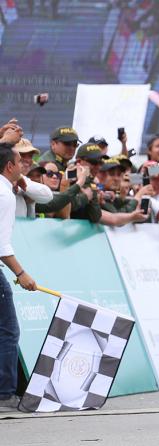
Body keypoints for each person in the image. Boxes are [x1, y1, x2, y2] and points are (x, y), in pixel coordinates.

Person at [0, 141, 38, 412]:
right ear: (10, 166)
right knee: (8, 331)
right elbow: (1, 244)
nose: (24, 165)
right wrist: (21, 274)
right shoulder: (4, 195)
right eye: (19, 160)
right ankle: (4, 394)